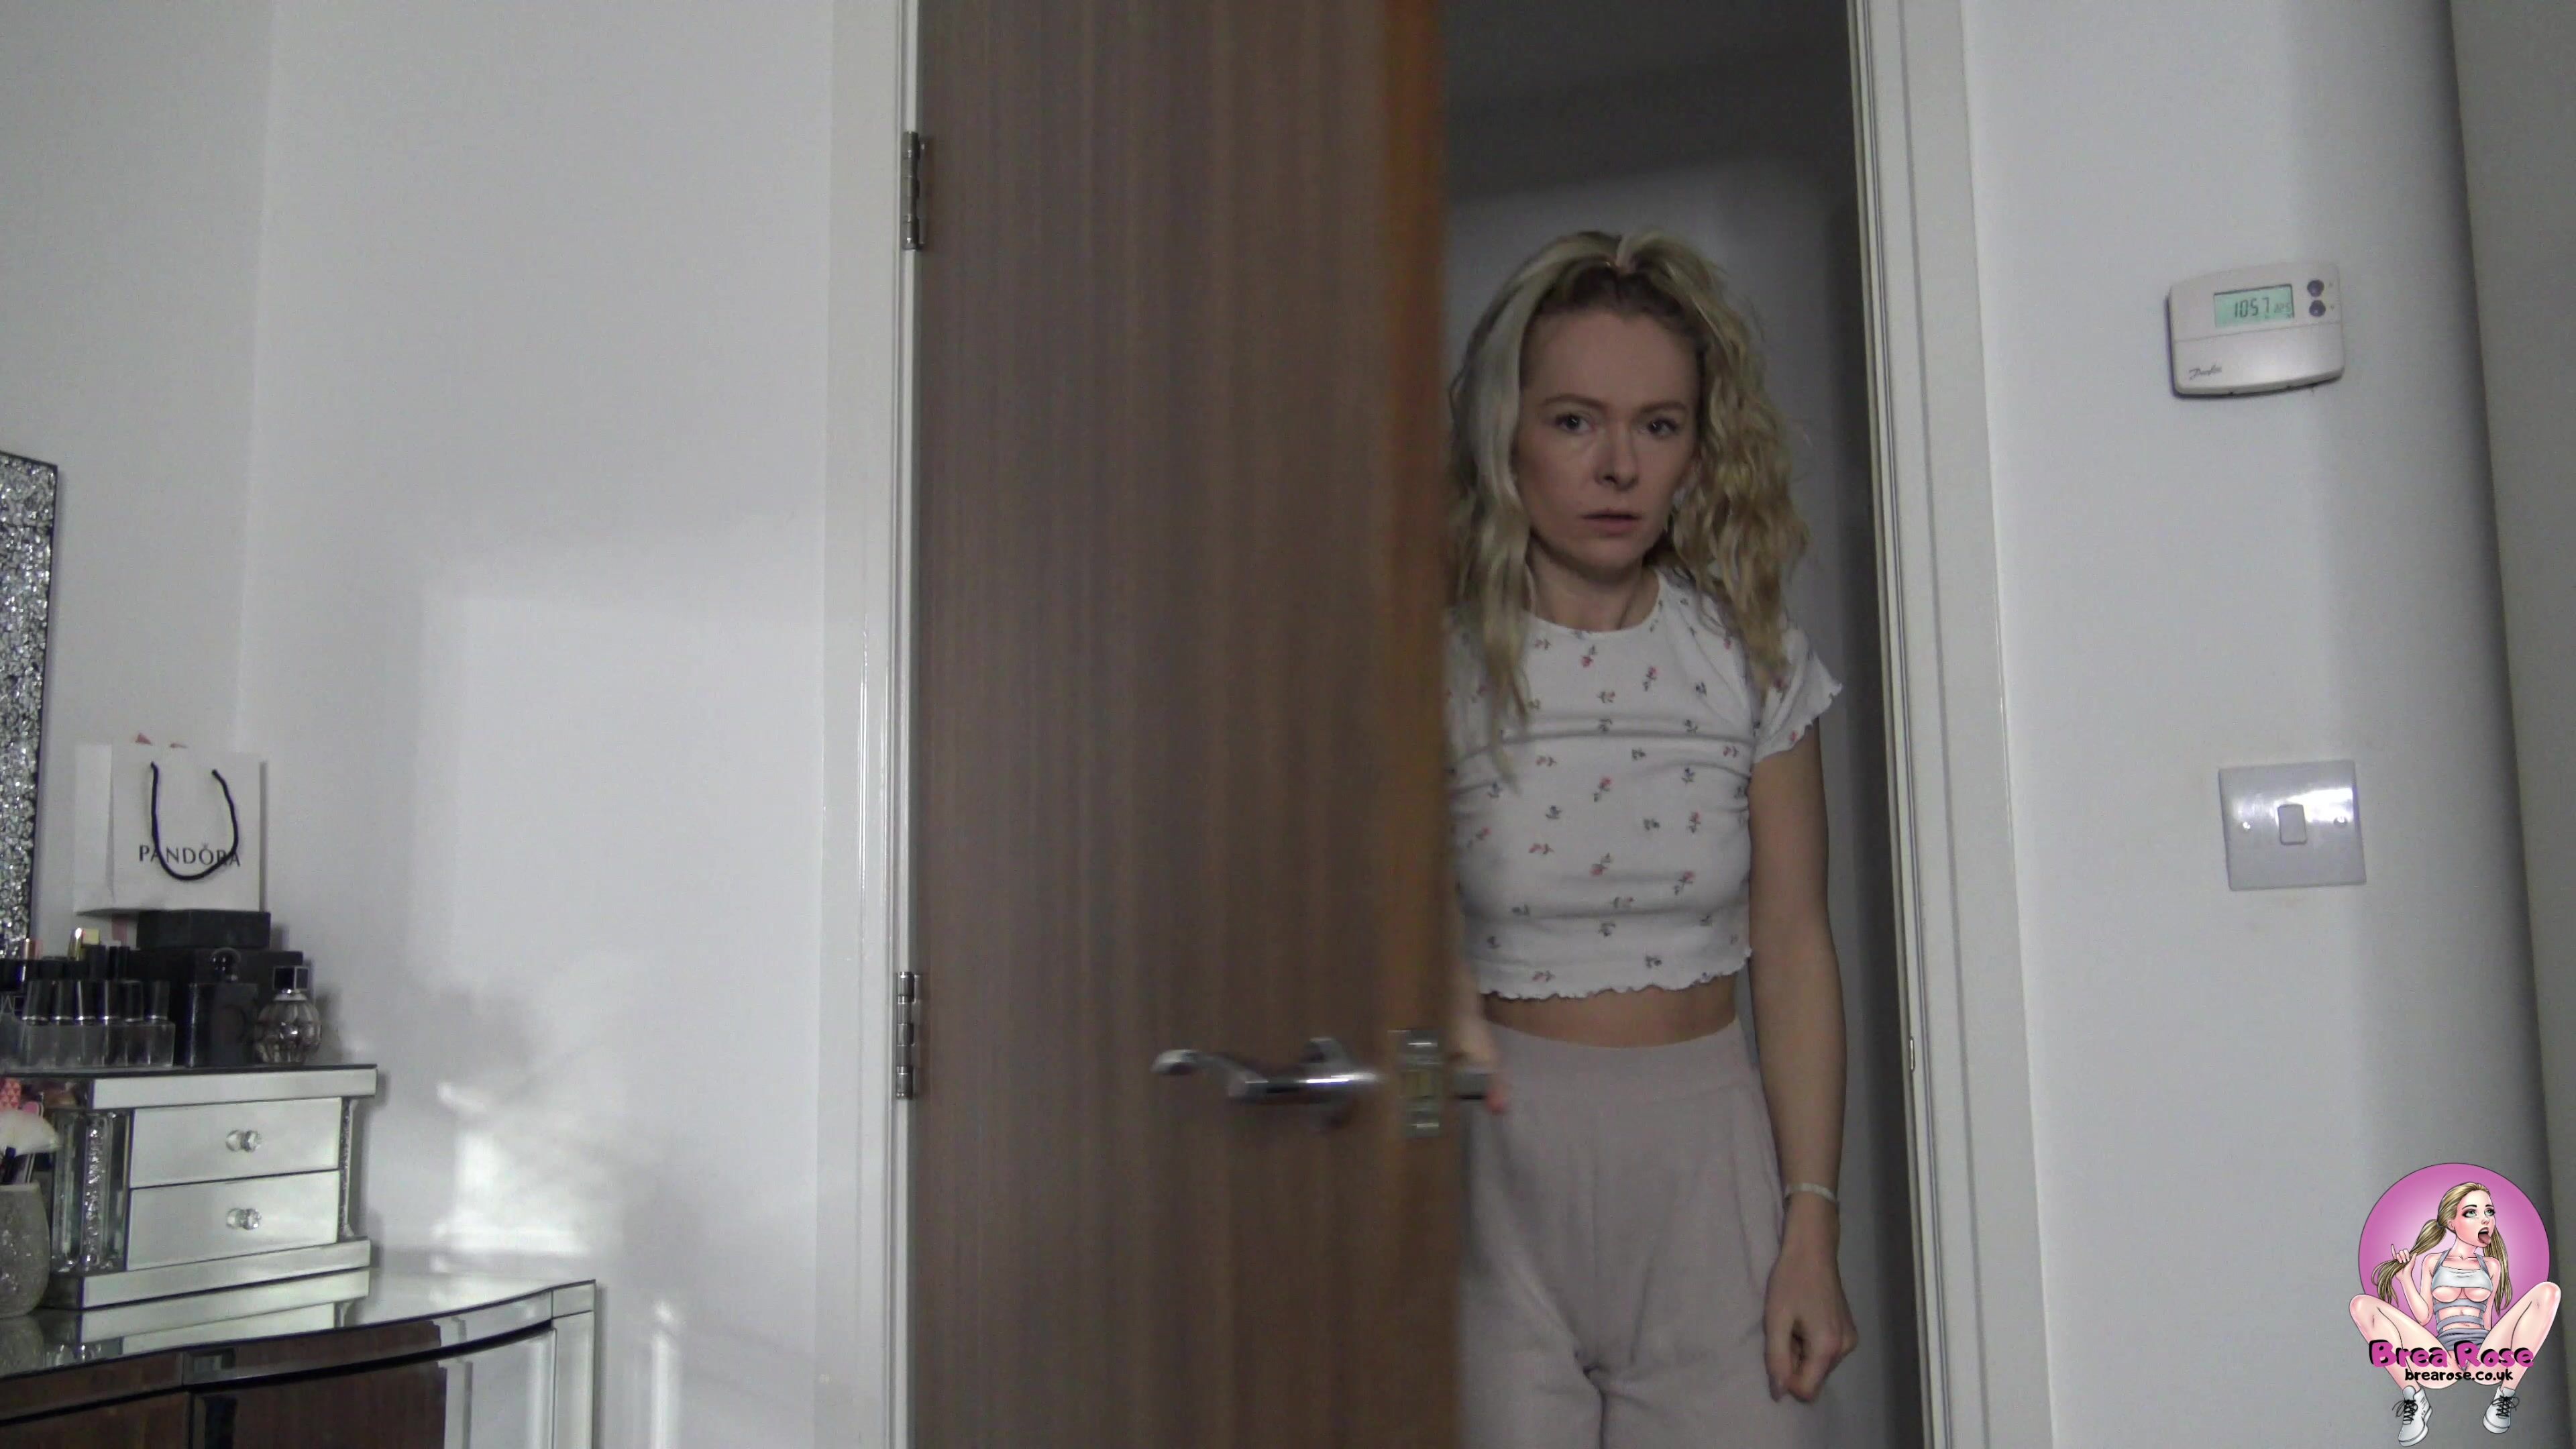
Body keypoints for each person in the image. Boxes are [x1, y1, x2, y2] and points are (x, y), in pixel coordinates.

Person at [1444, 228, 1857, 1448]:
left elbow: (1795, 946)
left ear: (1698, 449)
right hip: (1496, 1169)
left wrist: (1811, 1225)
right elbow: (1376, 931)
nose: (1619, 466)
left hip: (1707, 1164)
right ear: (1508, 434)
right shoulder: (1435, 667)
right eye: (1575, 422)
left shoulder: (1751, 659)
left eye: (1658, 426)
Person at [2350, 1181, 2563, 1443]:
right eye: (2471, 1212)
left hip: (2484, 1358)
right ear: (2452, 1222)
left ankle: (2505, 1395)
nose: (2484, 1219)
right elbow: (2424, 1317)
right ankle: (2413, 1397)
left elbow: (2487, 1320)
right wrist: (2405, 1279)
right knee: (2361, 1305)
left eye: (2489, 1211)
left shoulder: (2492, 1266)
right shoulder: (2432, 1261)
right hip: (2441, 1361)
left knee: (2549, 1291)